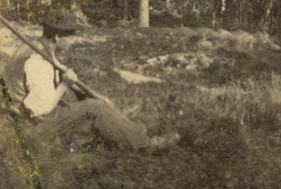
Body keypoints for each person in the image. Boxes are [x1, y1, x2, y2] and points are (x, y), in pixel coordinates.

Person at [1, 12, 178, 152]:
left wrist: (91, 93)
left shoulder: (37, 48)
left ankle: (129, 132)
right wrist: (65, 85)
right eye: (70, 36)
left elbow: (60, 72)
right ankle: (146, 145)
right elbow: (39, 110)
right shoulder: (39, 62)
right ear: (57, 36)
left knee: (92, 102)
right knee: (94, 109)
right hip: (24, 130)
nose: (73, 41)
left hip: (16, 121)